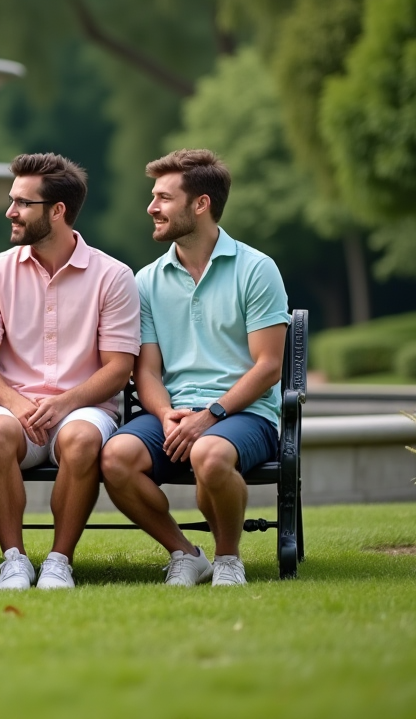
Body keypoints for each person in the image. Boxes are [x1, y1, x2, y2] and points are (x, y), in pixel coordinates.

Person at [100, 149, 289, 587]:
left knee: (209, 452)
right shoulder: (145, 280)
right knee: (115, 458)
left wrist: (211, 416)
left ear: (200, 204)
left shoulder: (256, 270)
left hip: (245, 414)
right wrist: (166, 415)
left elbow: (268, 367)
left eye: (164, 198)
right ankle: (185, 553)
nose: (152, 208)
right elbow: (145, 372)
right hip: (176, 415)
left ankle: (227, 559)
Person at [0, 152, 140, 590]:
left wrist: (64, 402)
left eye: (23, 203)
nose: (11, 212)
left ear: (57, 211)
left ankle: (59, 560)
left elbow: (119, 369)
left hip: (83, 408)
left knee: (81, 439)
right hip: (13, 407)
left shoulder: (113, 276)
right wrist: (18, 403)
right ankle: (15, 560)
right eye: (13, 201)